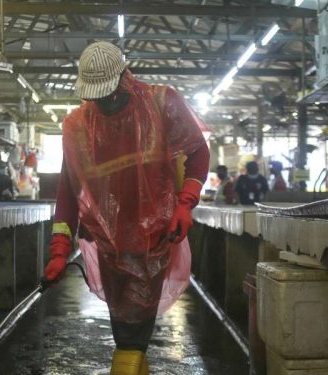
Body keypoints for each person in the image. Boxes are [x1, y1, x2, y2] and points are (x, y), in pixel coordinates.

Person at [43, 41, 209, 375]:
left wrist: (185, 203)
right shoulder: (77, 128)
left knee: (132, 333)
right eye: (97, 97)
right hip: (109, 246)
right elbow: (68, 190)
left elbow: (198, 152)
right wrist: (59, 247)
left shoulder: (161, 103)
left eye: (109, 95)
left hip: (155, 238)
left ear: (124, 79)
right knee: (128, 330)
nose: (104, 103)